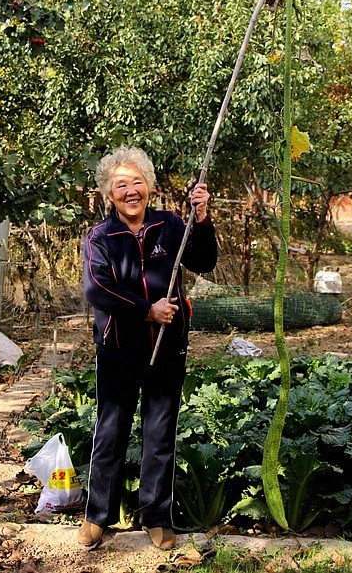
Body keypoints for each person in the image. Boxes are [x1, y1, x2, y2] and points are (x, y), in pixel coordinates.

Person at [78, 146, 217, 551]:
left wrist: (203, 219)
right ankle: (97, 516)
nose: (130, 191)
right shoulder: (101, 238)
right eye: (120, 184)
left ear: (150, 187)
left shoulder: (172, 226)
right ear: (109, 193)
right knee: (111, 430)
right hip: (118, 348)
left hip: (167, 347)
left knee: (160, 432)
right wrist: (146, 310)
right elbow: (97, 289)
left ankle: (156, 516)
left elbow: (204, 261)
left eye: (137, 181)